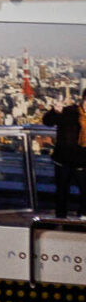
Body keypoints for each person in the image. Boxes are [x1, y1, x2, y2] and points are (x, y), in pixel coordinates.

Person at [43, 87, 86, 217]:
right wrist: (55, 112)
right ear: (83, 100)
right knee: (61, 192)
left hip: (83, 162)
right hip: (64, 160)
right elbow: (47, 121)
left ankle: (82, 217)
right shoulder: (70, 111)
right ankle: (60, 218)